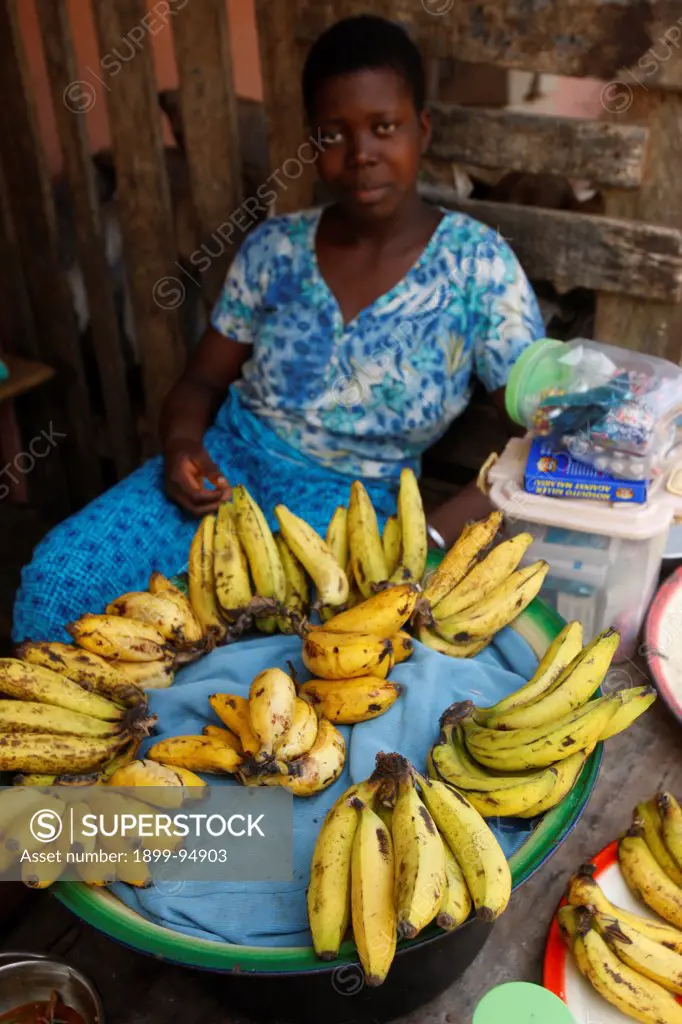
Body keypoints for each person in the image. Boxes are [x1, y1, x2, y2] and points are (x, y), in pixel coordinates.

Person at [13, 14, 544, 644]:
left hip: (351, 514)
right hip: (223, 476)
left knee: (276, 652)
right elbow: (200, 381)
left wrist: (435, 528)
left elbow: (544, 437)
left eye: (384, 127)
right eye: (334, 134)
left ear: (421, 130)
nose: (361, 154)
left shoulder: (475, 266)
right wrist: (183, 447)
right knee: (61, 578)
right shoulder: (275, 250)